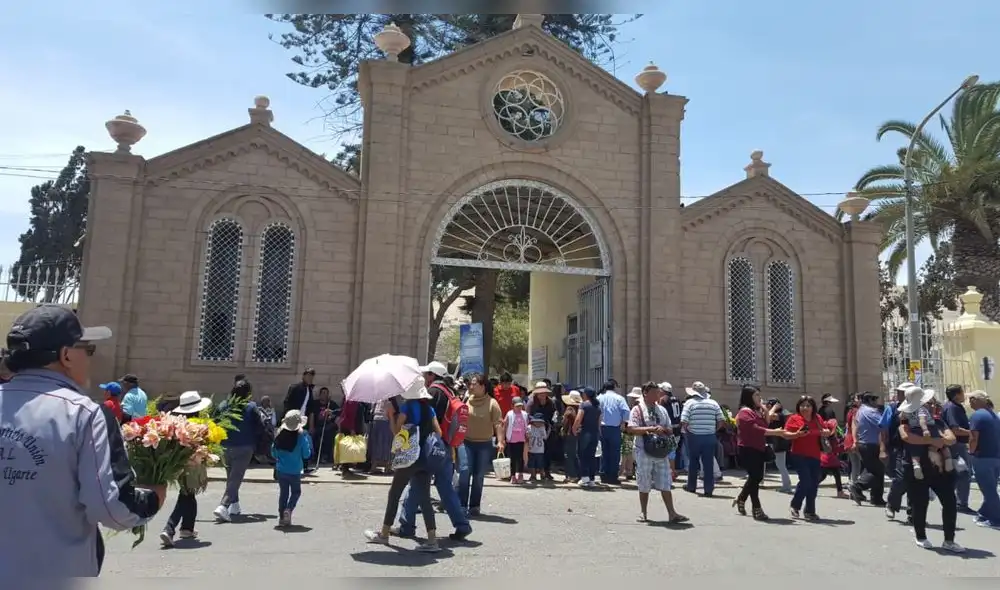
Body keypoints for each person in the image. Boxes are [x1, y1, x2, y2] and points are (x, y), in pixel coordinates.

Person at [0, 305, 164, 576]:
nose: (90, 359)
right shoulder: (84, 414)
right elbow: (112, 507)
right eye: (88, 349)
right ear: (66, 355)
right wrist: (153, 497)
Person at [397, 361, 471, 539]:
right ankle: (462, 525)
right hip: (443, 445)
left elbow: (427, 420)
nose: (424, 378)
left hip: (430, 445)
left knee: (416, 483)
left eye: (426, 374)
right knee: (445, 486)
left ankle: (407, 526)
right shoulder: (449, 391)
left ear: (432, 375)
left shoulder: (433, 392)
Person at [365, 385, 442, 553]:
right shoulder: (429, 409)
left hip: (408, 458)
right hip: (425, 459)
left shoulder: (407, 407)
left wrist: (391, 415)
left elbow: (397, 432)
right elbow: (439, 432)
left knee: (394, 493)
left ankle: (384, 534)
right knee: (425, 498)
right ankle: (432, 539)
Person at [897, 385, 964, 552]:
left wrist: (940, 440)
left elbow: (951, 438)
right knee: (920, 503)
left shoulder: (939, 422)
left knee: (949, 502)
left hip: (940, 469)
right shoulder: (905, 421)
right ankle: (921, 536)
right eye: (930, 403)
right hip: (917, 468)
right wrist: (932, 441)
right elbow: (907, 436)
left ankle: (949, 540)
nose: (933, 405)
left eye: (932, 403)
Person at [627, 382, 689, 524]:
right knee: (644, 482)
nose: (657, 395)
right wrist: (651, 429)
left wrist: (664, 430)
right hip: (644, 450)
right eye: (654, 392)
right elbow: (631, 429)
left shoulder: (662, 410)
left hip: (661, 451)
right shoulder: (637, 410)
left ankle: (672, 513)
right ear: (645, 393)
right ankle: (643, 512)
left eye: (658, 392)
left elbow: (670, 428)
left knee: (665, 482)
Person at [160, 391, 215, 547]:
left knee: (189, 494)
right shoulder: (199, 426)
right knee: (186, 495)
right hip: (193, 466)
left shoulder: (178, 424)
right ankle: (169, 528)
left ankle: (187, 528)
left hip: (179, 465)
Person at [734, 385, 789, 520]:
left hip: (759, 448)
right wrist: (775, 432)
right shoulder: (744, 412)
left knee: (756, 478)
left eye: (759, 395)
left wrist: (765, 409)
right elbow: (755, 429)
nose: (759, 398)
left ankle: (741, 498)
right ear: (749, 397)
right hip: (748, 449)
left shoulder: (756, 411)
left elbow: (765, 424)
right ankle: (756, 508)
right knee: (755, 477)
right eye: (756, 395)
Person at [213, 379, 261, 523]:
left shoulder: (223, 405)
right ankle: (223, 505)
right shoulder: (251, 407)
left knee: (231, 477)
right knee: (236, 478)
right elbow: (259, 427)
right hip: (244, 446)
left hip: (226, 446)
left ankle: (235, 505)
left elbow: (215, 422)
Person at [458, 372, 503, 515]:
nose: (470, 386)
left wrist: (501, 441)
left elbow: (498, 424)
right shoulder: (466, 399)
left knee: (478, 476)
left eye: (474, 383)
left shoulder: (492, 403)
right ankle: (461, 505)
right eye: (470, 383)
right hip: (466, 442)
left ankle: (474, 506)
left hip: (484, 444)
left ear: (483, 386)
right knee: (465, 471)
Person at [783, 395, 831, 520]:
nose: (805, 408)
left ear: (813, 407)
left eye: (808, 405)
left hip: (814, 455)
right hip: (799, 454)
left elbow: (825, 430)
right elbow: (786, 434)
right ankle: (795, 505)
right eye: (802, 405)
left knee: (814, 483)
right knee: (805, 481)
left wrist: (826, 431)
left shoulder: (817, 418)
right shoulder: (794, 418)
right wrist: (797, 434)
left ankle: (810, 510)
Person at [680, 381, 725, 496]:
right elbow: (721, 421)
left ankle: (691, 486)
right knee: (708, 463)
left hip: (694, 436)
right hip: (710, 437)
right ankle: (708, 489)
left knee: (693, 462)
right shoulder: (713, 403)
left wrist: (688, 431)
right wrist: (713, 430)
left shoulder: (689, 403)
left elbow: (684, 421)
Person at [272, 409, 313, 527]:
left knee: (283, 493)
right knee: (296, 492)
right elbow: (306, 454)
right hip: (295, 470)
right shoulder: (301, 437)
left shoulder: (279, 435)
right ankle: (289, 510)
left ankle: (281, 516)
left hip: (281, 469)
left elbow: (273, 452)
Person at [967, 390, 1000, 528]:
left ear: (975, 400)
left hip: (983, 457)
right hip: (996, 456)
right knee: (990, 487)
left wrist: (971, 451)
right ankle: (984, 513)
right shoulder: (994, 415)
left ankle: (996, 519)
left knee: (989, 490)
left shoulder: (977, 415)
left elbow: (974, 437)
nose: (969, 403)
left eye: (970, 400)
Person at [849, 391, 887, 506]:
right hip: (871, 444)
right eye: (875, 399)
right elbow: (883, 424)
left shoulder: (861, 410)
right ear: (870, 400)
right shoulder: (871, 412)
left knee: (877, 471)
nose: (876, 402)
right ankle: (857, 486)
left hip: (866, 444)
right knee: (875, 472)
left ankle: (877, 498)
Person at [941, 384, 973, 512]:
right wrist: (972, 432)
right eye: (962, 392)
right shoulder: (952, 408)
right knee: (964, 473)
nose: (964, 395)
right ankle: (960, 503)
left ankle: (953, 501)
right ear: (956, 395)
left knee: (957, 473)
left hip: (957, 445)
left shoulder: (955, 407)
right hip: (956, 445)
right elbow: (955, 429)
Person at [595, 379, 629, 485]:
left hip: (601, 428)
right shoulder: (619, 398)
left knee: (604, 452)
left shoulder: (599, 398)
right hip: (614, 428)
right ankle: (613, 476)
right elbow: (626, 411)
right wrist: (623, 423)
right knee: (614, 453)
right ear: (614, 387)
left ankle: (603, 474)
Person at [526, 381, 558, 480]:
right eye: (540, 392)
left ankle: (546, 472)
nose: (542, 394)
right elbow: (528, 415)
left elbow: (554, 414)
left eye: (544, 392)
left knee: (547, 452)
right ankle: (534, 473)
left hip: (547, 429)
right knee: (534, 453)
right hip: (534, 430)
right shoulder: (531, 402)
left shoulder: (550, 402)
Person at [573, 387, 602, 488]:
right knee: (592, 456)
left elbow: (578, 418)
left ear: (586, 395)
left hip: (585, 432)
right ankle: (592, 479)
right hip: (594, 433)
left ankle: (584, 478)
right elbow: (599, 423)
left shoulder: (584, 405)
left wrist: (574, 429)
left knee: (582, 455)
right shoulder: (597, 407)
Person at [818, 418, 849, 498]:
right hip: (830, 460)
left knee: (824, 476)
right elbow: (836, 448)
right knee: (835, 474)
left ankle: (809, 486)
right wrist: (844, 444)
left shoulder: (826, 438)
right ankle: (840, 492)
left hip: (825, 459)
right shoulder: (832, 438)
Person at [503, 397, 530, 483]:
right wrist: (503, 438)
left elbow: (527, 426)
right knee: (512, 458)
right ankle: (513, 475)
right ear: (512, 406)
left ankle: (520, 474)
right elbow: (505, 425)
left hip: (521, 439)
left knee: (520, 457)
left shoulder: (525, 414)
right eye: (517, 406)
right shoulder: (509, 414)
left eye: (520, 406)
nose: (519, 408)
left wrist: (527, 435)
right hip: (511, 439)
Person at [561, 390, 582, 483]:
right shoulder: (580, 409)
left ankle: (572, 475)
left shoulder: (570, 409)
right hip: (578, 434)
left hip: (570, 434)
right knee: (575, 455)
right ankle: (577, 474)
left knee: (569, 455)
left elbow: (565, 422)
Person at [527, 413, 549, 482]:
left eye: (540, 422)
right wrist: (528, 434)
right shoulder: (529, 427)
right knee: (532, 464)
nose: (538, 423)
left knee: (540, 464)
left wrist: (543, 431)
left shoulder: (542, 428)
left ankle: (542, 475)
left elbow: (545, 437)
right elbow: (527, 436)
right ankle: (533, 476)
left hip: (540, 450)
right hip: (531, 449)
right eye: (536, 421)